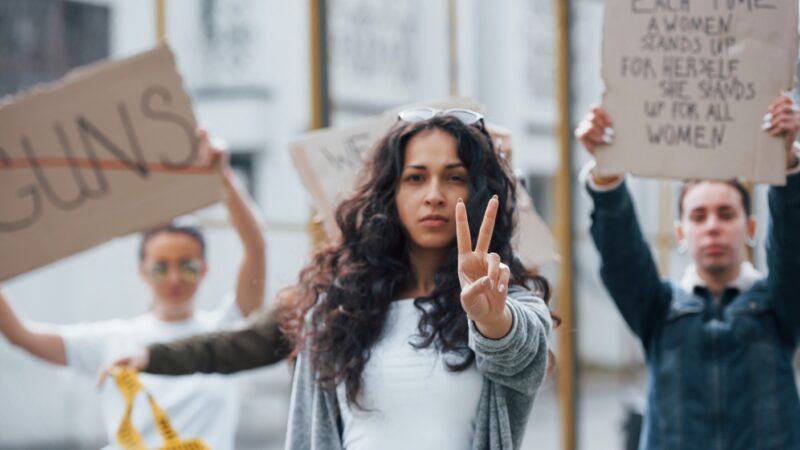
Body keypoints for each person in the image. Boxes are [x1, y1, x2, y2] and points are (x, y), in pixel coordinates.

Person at [277, 109, 553, 450]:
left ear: (478, 191)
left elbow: (521, 350)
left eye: (454, 177)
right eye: (416, 178)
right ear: (390, 193)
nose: (434, 195)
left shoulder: (504, 302)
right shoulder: (336, 310)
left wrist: (491, 319)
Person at [0, 129, 266, 450]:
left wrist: (222, 176)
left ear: (204, 269)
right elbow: (21, 335)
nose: (174, 279)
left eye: (187, 265)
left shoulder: (225, 334)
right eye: (160, 266)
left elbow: (256, 249)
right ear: (142, 271)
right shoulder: (114, 340)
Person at [575, 93, 800, 449]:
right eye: (698, 216)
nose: (712, 226)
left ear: (751, 229)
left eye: (726, 214)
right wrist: (607, 179)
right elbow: (622, 257)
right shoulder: (659, 309)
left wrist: (787, 160)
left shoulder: (778, 307)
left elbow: (793, 246)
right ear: (681, 233)